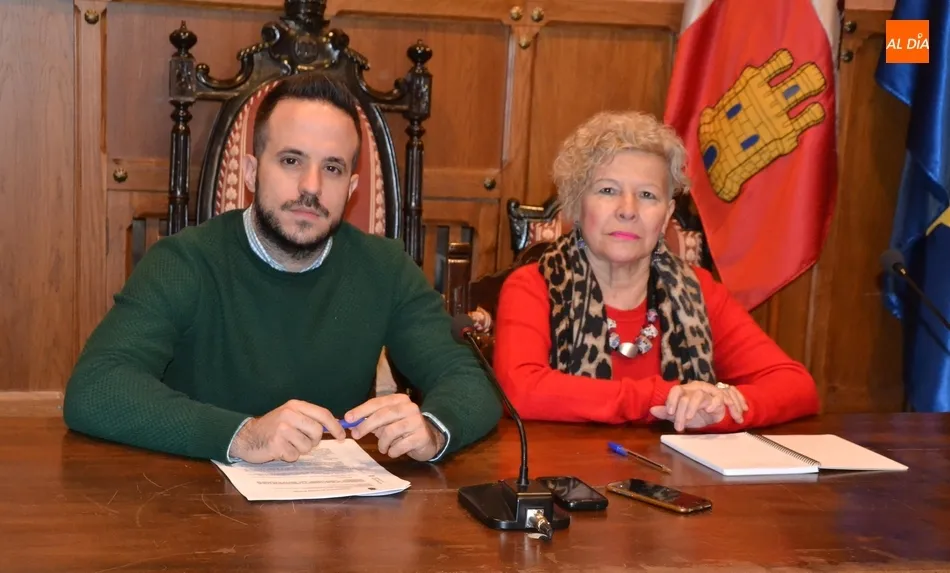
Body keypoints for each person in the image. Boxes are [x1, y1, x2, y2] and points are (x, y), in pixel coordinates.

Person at [63, 73, 501, 464]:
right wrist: (243, 436)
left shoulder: (385, 268)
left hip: (331, 523)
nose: (310, 187)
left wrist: (434, 429)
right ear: (252, 172)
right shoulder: (184, 262)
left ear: (350, 189)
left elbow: (468, 379)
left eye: (332, 168)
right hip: (190, 511)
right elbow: (96, 388)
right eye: (291, 161)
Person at [492, 111, 820, 432]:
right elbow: (520, 391)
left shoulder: (698, 291)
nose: (628, 211)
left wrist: (717, 406)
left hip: (676, 481)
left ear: (665, 216)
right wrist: (665, 398)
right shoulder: (533, 286)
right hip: (564, 480)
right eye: (608, 190)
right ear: (577, 206)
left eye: (647, 195)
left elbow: (796, 386)